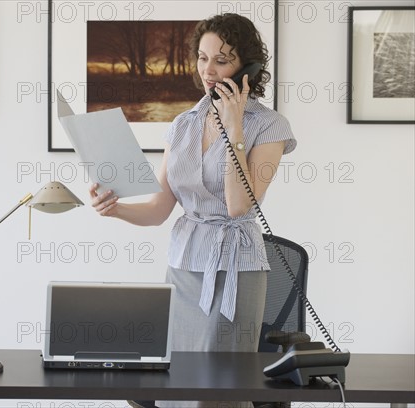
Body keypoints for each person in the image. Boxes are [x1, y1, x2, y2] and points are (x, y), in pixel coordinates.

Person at [90, 13, 296, 408]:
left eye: (222, 59)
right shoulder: (182, 124)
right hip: (184, 265)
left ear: (247, 66)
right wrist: (114, 209)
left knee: (219, 391)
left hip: (237, 266)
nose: (209, 69)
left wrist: (234, 126)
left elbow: (239, 206)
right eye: (203, 58)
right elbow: (158, 208)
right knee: (175, 387)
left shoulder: (269, 126)